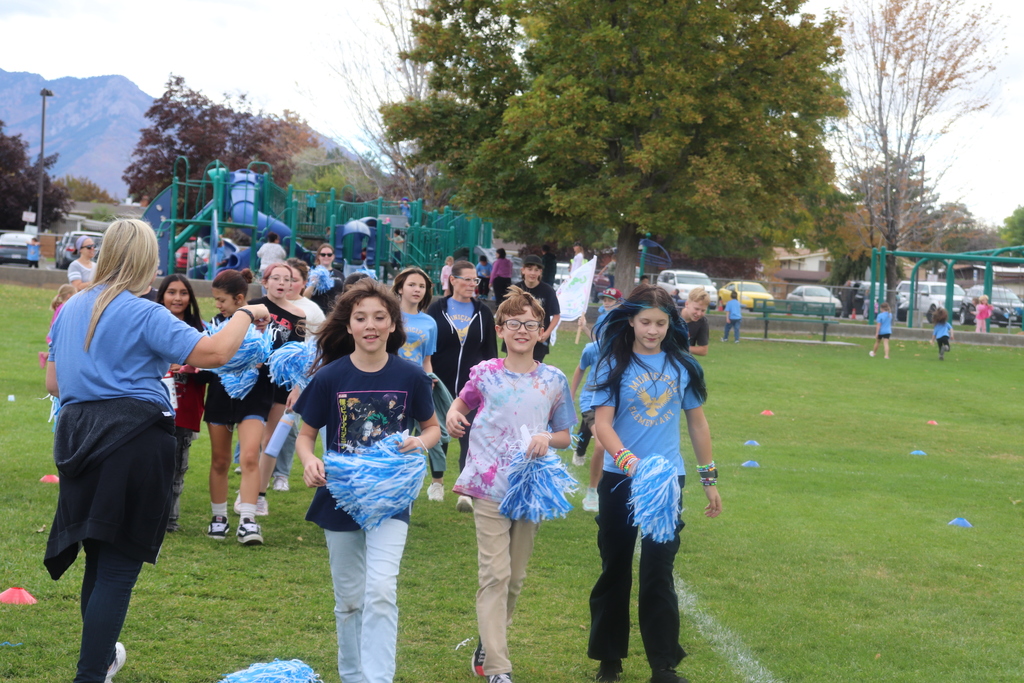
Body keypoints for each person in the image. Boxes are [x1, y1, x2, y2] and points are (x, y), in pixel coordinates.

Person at [44, 219, 270, 683]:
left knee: (99, 556)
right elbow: (214, 353)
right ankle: (91, 674)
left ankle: (101, 662)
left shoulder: (71, 308)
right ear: (146, 259)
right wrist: (247, 314)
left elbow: (60, 380)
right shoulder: (142, 311)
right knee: (119, 567)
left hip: (76, 438)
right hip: (132, 440)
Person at [294, 279, 441, 683]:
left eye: (380, 317)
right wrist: (309, 461)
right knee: (349, 602)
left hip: (391, 500)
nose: (370, 325)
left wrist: (419, 442)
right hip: (340, 498)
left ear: (394, 324)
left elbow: (432, 429)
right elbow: (306, 436)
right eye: (361, 318)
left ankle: (377, 679)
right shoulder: (329, 377)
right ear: (349, 325)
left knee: (380, 591)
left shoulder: (410, 375)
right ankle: (353, 675)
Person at [587, 285, 721, 683]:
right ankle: (609, 659)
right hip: (619, 479)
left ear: (670, 323)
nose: (652, 330)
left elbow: (697, 424)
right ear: (630, 320)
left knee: (658, 570)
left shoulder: (683, 367)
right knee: (615, 567)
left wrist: (708, 477)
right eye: (645, 322)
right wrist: (629, 462)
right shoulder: (611, 363)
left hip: (666, 482)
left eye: (661, 323)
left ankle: (663, 666)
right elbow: (602, 425)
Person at [446, 286, 575, 683]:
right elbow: (460, 404)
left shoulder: (554, 379)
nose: (522, 330)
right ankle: (498, 669)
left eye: (531, 324)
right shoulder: (484, 374)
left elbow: (565, 436)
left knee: (515, 579)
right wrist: (452, 415)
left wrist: (546, 439)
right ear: (501, 329)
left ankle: (490, 639)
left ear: (542, 332)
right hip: (487, 486)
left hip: (529, 490)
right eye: (514, 323)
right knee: (495, 574)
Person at [203, 268, 277, 545]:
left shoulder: (265, 324)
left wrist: (262, 353)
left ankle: (248, 520)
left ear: (239, 298)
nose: (218, 305)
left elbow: (279, 361)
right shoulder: (213, 324)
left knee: (248, 457)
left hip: (255, 398)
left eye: (221, 300)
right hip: (221, 397)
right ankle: (218, 517)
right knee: (220, 460)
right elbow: (208, 361)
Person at [426, 260, 498, 512]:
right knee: (440, 435)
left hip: (472, 388)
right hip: (440, 384)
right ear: (452, 280)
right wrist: (429, 377)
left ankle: (466, 489)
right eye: (467, 279)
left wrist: (490, 383)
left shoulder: (484, 312)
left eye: (475, 280)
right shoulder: (436, 310)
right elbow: (428, 349)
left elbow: (490, 352)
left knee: (470, 436)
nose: (472, 284)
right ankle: (437, 482)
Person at [247, 263, 306, 526]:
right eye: (277, 278)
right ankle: (246, 490)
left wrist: (297, 388)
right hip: (253, 379)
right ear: (266, 281)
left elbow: (300, 357)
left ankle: (258, 495)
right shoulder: (254, 305)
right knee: (252, 438)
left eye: (288, 279)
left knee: (271, 440)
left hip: (282, 382)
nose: (283, 283)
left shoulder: (298, 314)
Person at [392, 267, 448, 502]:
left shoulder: (429, 323)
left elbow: (426, 360)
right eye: (412, 284)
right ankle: (391, 481)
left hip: (418, 385)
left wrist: (430, 380)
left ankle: (426, 484)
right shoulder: (389, 316)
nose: (417, 290)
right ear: (400, 288)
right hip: (391, 384)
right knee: (393, 435)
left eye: (422, 286)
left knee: (426, 434)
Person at [156, 274, 207, 532]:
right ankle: (149, 515)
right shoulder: (150, 323)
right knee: (150, 463)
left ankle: (170, 520)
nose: (177, 298)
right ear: (162, 295)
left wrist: (190, 367)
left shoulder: (201, 330)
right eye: (171, 292)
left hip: (184, 409)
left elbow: (214, 367)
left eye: (183, 293)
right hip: (150, 406)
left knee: (177, 464)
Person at [571, 340, 603, 512]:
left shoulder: (631, 347)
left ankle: (606, 488)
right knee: (602, 444)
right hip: (591, 402)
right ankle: (593, 491)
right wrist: (571, 395)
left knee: (616, 449)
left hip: (617, 405)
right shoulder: (593, 349)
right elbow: (581, 368)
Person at [510, 254, 560, 362]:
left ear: (540, 272)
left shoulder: (548, 291)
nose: (533, 273)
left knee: (533, 372)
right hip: (517, 336)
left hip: (538, 339)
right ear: (523, 270)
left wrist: (546, 333)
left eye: (536, 270)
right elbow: (506, 314)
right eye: (529, 269)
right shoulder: (515, 290)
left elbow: (556, 315)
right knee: (514, 369)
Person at [305, 244, 346, 315]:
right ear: (318, 256)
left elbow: (344, 295)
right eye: (323, 254)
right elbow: (305, 297)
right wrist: (313, 283)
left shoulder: (340, 274)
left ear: (333, 257)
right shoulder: (312, 273)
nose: (326, 257)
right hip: (316, 313)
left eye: (329, 255)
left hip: (334, 313)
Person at [679, 288, 710, 356]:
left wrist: (680, 348)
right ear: (687, 304)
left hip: (683, 360)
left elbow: (703, 350)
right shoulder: (671, 315)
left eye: (703, 311)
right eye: (696, 309)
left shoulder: (702, 322)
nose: (699, 313)